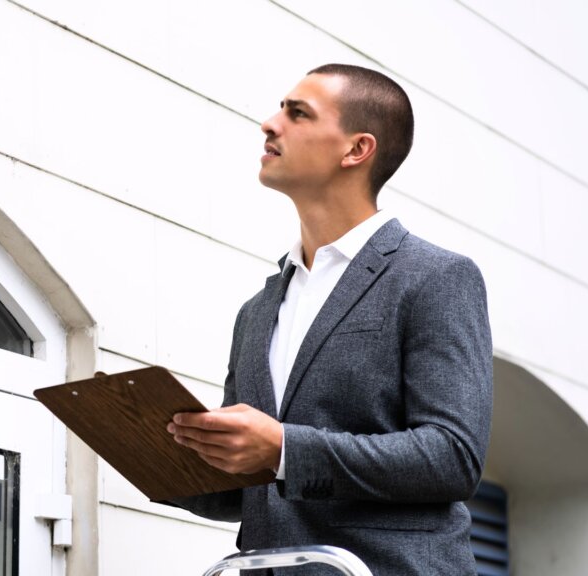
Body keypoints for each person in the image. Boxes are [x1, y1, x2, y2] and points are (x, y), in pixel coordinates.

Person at [167, 64, 493, 575]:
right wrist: (155, 452)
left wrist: (284, 447)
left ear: (356, 149)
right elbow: (248, 487)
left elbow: (452, 457)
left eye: (298, 113)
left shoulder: (436, 277)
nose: (269, 123)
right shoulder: (256, 311)